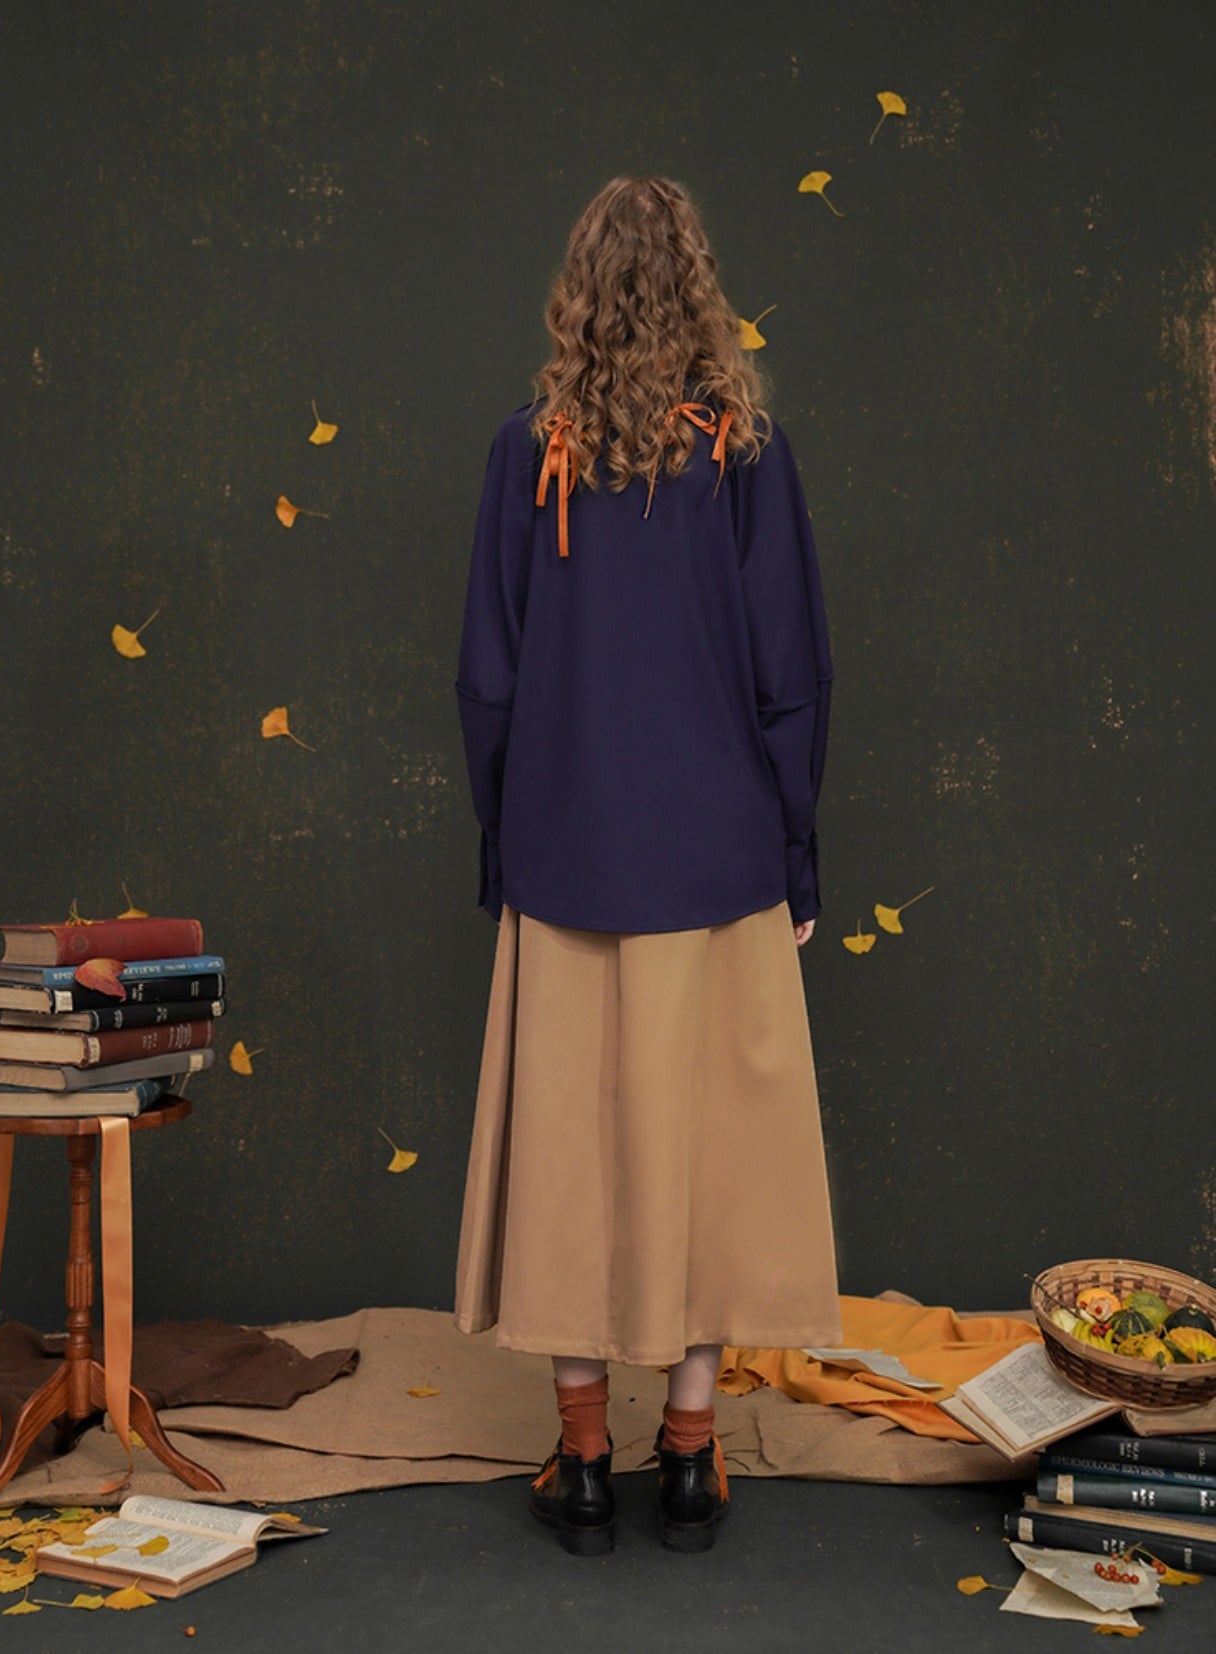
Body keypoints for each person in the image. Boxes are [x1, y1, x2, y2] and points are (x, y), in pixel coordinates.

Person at [451, 175, 843, 1555]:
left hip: (566, 856)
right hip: (718, 861)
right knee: (704, 1153)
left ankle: (579, 1458)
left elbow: (488, 677)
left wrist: (507, 841)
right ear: (697, 294)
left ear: (578, 297)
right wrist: (795, 856)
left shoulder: (525, 452)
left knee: (570, 1154)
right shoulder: (746, 454)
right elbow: (792, 673)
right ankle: (688, 1450)